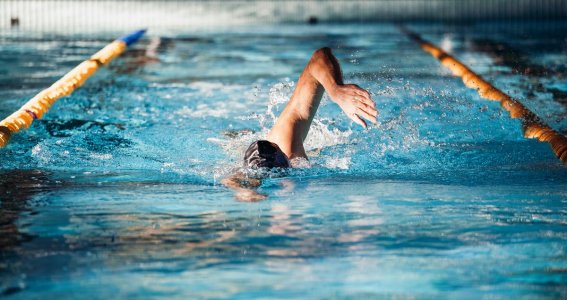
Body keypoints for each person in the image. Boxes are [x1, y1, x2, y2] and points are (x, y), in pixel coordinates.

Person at [222, 47, 378, 201]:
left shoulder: (287, 144)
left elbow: (320, 56)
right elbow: (233, 180)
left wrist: (335, 90)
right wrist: (245, 192)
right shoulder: (253, 171)